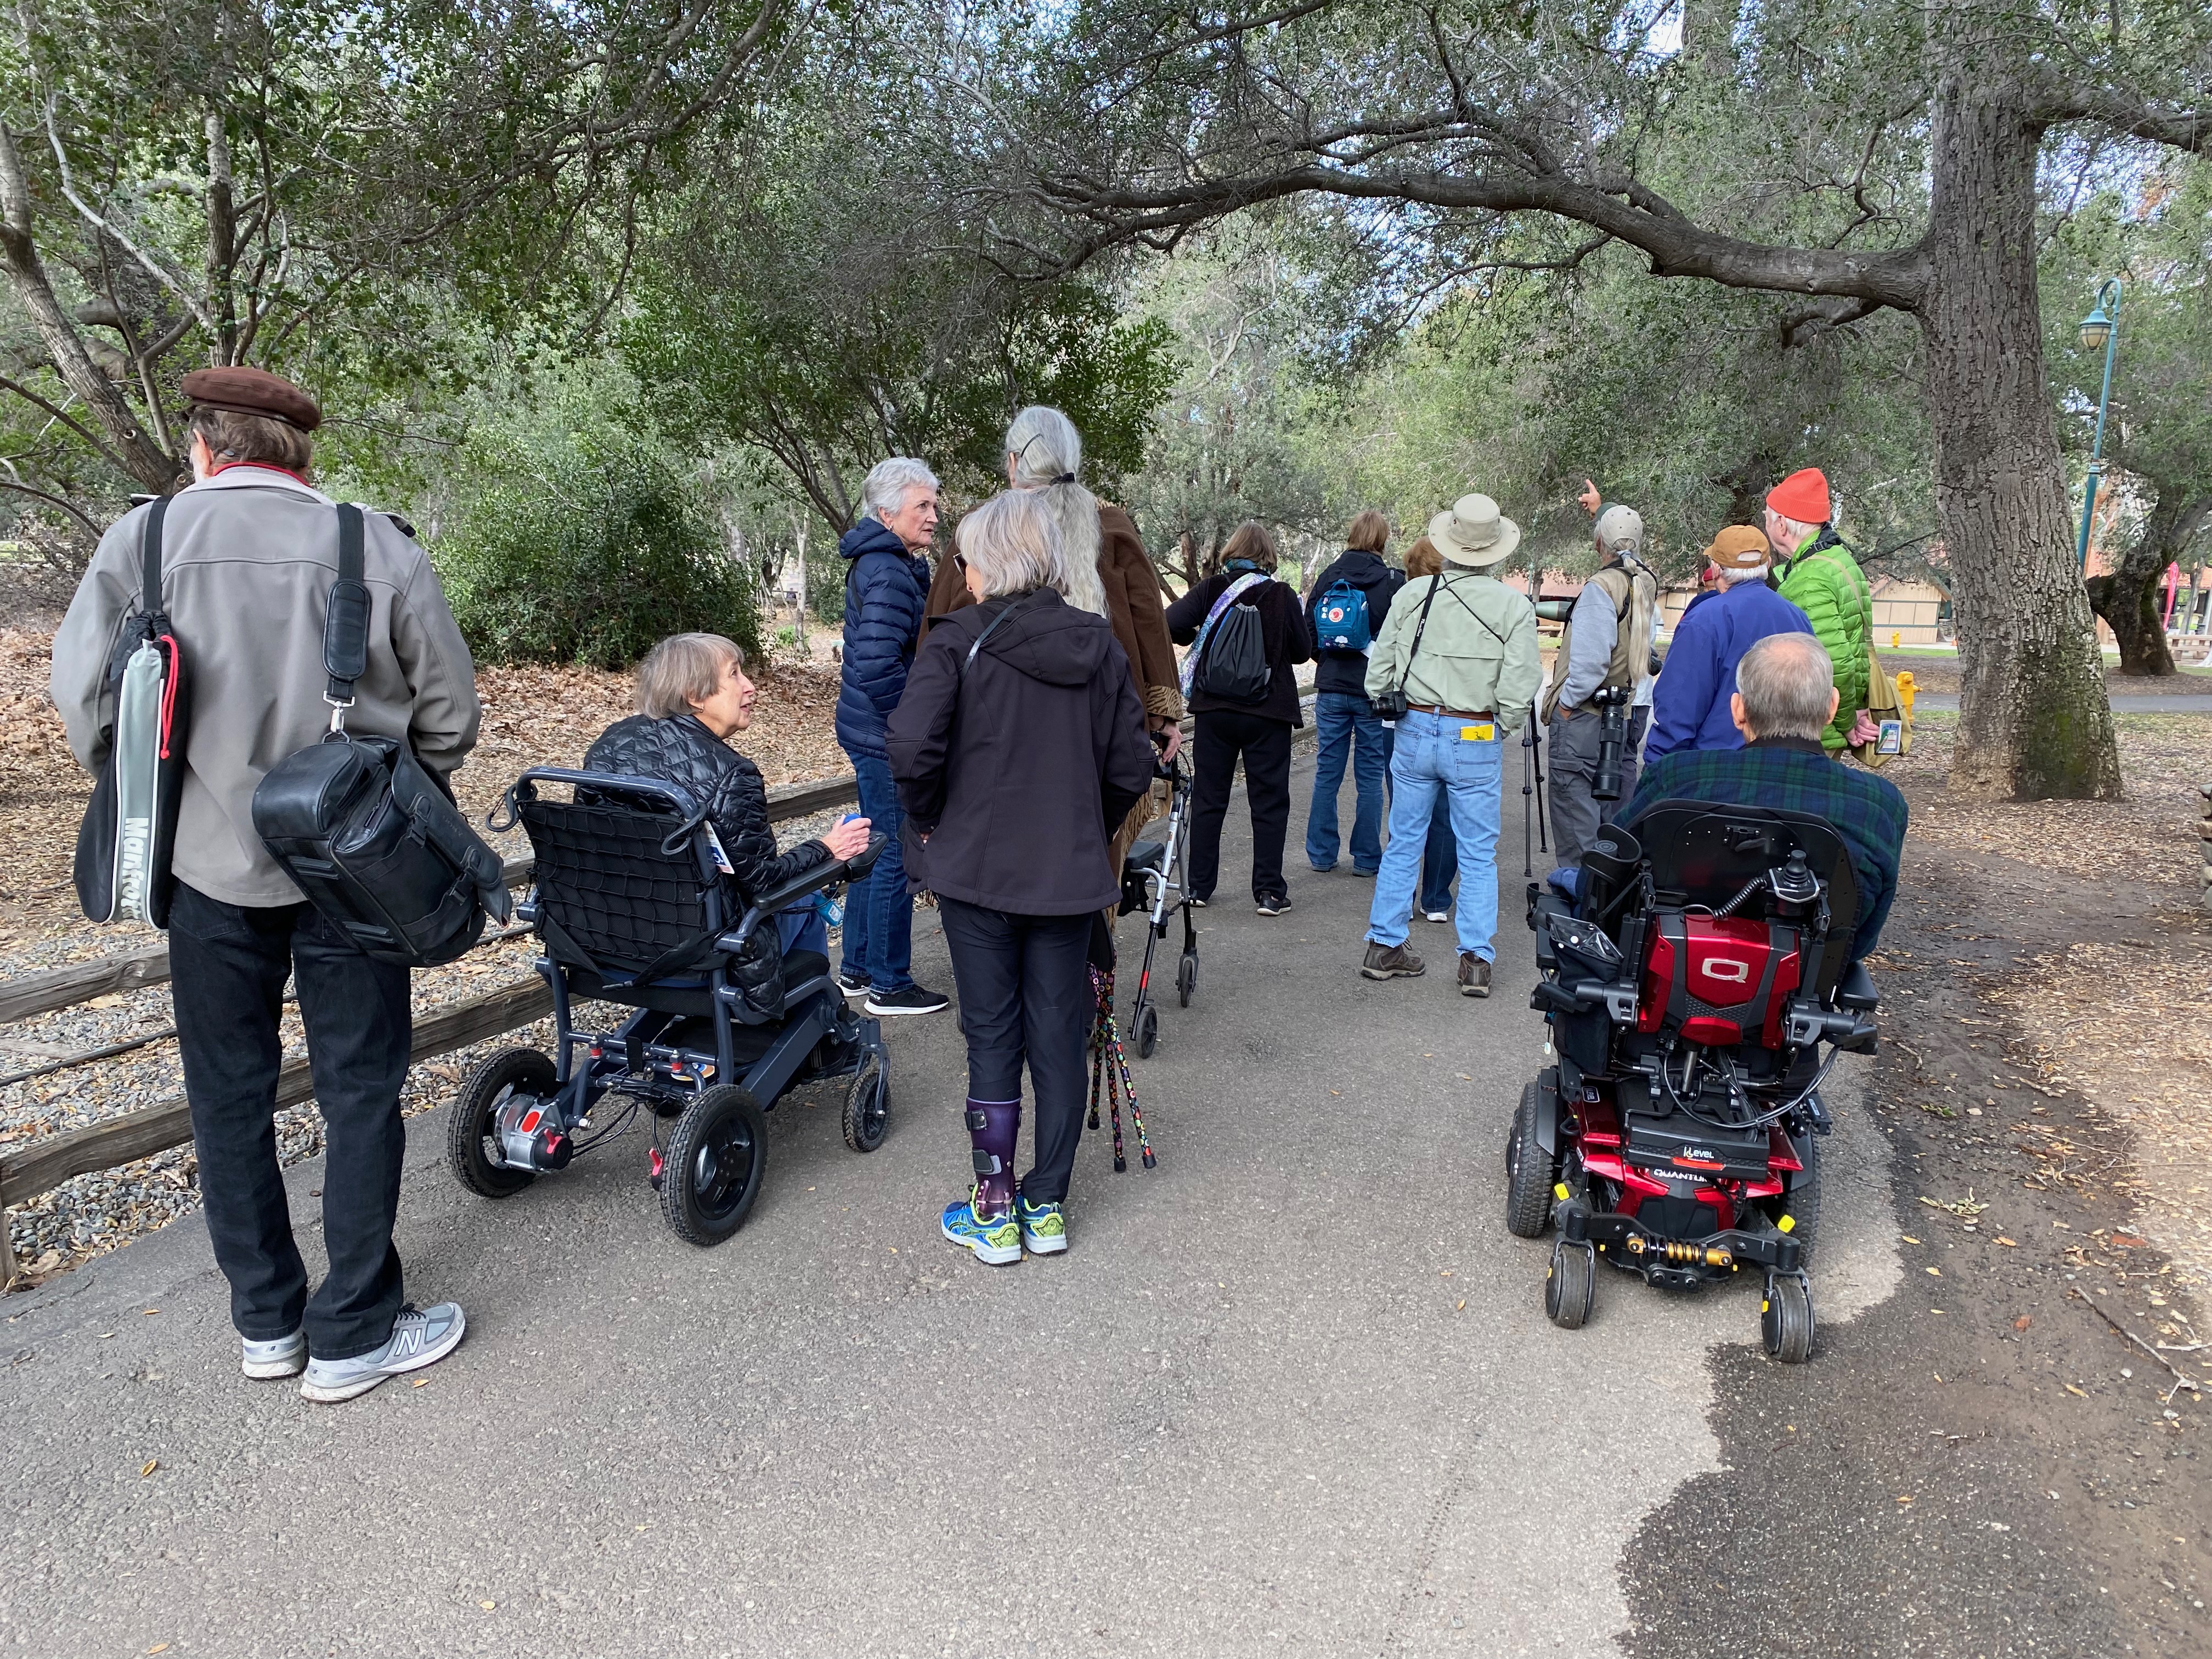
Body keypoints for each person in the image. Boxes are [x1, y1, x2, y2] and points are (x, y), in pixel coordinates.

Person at [50, 368, 478, 1403]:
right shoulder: (372, 543)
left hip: (203, 869)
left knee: (227, 1095)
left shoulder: (140, 544)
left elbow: (87, 707)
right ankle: (356, 1328)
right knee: (362, 1089)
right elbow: (449, 714)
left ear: (202, 447)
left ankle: (268, 1321)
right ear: (301, 455)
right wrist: (389, 793)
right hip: (354, 873)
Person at [886, 492, 1153, 1266]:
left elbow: (908, 749)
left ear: (988, 564)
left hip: (977, 873)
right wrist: (1084, 826)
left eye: (964, 561)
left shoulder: (956, 641)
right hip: (1066, 877)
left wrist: (935, 820)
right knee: (1061, 1034)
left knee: (992, 1034)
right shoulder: (1098, 643)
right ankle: (1048, 1203)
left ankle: (996, 1206)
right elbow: (1133, 765)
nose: (961, 575)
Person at [921, 406, 1184, 911]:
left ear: (1014, 461)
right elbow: (1148, 621)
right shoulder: (1113, 524)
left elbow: (941, 629)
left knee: (995, 859)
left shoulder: (982, 530)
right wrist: (1163, 716)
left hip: (991, 731)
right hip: (1093, 734)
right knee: (1087, 859)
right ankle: (1087, 983)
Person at [582, 634, 874, 964]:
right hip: (707, 947)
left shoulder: (610, 745)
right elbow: (762, 882)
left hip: (611, 932)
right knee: (801, 900)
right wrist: (827, 849)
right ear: (695, 697)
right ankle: (806, 1008)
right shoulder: (731, 774)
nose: (750, 686)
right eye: (734, 674)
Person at [1619, 632, 1907, 962]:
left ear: (1738, 710)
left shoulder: (1676, 777)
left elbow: (1608, 869)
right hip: (1806, 983)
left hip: (1672, 967)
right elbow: (1862, 935)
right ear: (1832, 708)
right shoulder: (1880, 805)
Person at [1359, 492, 1541, 997]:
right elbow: (1521, 679)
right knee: (1479, 852)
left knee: (1403, 841)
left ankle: (1385, 943)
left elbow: (1380, 672)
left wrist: (1387, 700)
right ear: (1495, 550)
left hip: (1415, 727)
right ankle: (1476, 960)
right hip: (1475, 730)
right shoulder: (1512, 606)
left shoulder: (1414, 595)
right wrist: (1500, 724)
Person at [834, 456, 949, 1017]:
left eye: (934, 504)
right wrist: (915, 728)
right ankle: (889, 983)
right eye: (922, 506)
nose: (933, 515)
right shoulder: (885, 570)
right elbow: (878, 665)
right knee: (893, 855)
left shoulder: (891, 563)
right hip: (883, 737)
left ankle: (857, 970)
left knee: (872, 844)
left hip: (869, 730)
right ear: (887, 513)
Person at [1164, 522, 1313, 915]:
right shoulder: (1281, 594)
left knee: (1211, 797)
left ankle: (1197, 886)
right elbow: (1301, 652)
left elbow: (1170, 623)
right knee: (1269, 802)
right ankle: (1268, 892)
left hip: (1215, 711)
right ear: (1269, 557)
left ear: (1232, 551)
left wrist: (1201, 635)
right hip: (1269, 712)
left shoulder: (1211, 589)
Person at [1542, 488, 1660, 871]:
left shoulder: (1602, 587)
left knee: (1576, 818)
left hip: (1584, 718)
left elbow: (1591, 665)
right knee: (1606, 816)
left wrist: (1565, 704)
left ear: (1599, 543)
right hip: (1617, 713)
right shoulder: (1643, 581)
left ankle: (1579, 904)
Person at [1646, 526, 1815, 760]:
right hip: (1786, 764)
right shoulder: (1798, 618)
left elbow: (1677, 706)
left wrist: (1657, 767)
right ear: (1766, 567)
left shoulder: (1704, 619)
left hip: (1713, 769)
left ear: (1715, 569)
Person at [1302, 510, 1404, 876]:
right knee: (1370, 775)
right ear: (1382, 539)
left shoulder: (1330, 576)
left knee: (1327, 771)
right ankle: (1366, 857)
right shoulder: (1394, 582)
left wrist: (1326, 660)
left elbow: (1308, 631)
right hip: (1373, 691)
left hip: (1331, 686)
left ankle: (1321, 854)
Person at [1764, 467, 1878, 754]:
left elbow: (1835, 663)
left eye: (1766, 518)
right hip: (1826, 720)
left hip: (1811, 729)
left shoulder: (1810, 578)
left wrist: (1846, 720)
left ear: (1781, 524)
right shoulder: (1840, 560)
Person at [1396, 537, 1459, 921]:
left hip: (1406, 717)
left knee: (1405, 819)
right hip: (1458, 719)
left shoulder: (1406, 602)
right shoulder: (1464, 607)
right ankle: (1436, 898)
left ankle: (1402, 896)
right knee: (1446, 816)